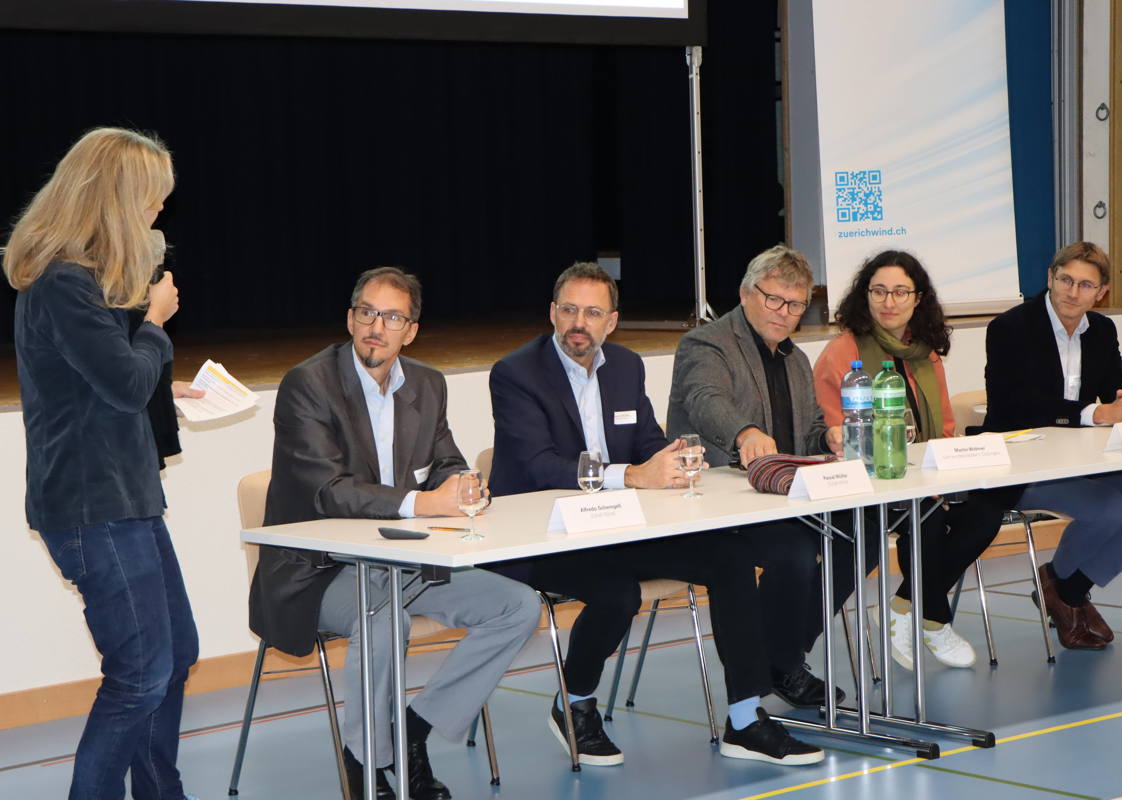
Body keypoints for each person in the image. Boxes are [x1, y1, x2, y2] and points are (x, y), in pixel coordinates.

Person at [487, 262, 825, 768]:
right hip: (547, 535)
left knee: (730, 556)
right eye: (570, 310)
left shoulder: (625, 366)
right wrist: (633, 475)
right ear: (552, 314)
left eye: (593, 312)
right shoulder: (516, 373)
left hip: (623, 526)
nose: (580, 322)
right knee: (616, 592)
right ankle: (574, 704)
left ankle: (745, 717)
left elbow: (645, 439)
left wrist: (674, 459)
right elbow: (540, 467)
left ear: (612, 321)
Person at [248, 267, 541, 800]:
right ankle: (366, 762)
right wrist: (422, 503)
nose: (375, 327)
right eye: (366, 312)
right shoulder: (307, 385)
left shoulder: (427, 385)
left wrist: (464, 486)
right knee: (382, 619)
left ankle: (413, 731)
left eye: (392, 317)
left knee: (517, 606)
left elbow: (446, 460)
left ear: (411, 330)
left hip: (403, 562)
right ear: (349, 318)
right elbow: (329, 491)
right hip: (318, 568)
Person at [5, 127, 200, 800]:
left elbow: (98, 383)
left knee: (174, 660)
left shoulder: (83, 280)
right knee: (142, 673)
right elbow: (120, 380)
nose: (157, 214)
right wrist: (153, 323)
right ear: (118, 199)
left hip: (124, 499)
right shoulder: (64, 282)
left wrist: (160, 379)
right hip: (94, 509)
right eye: (151, 200)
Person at [667, 244, 870, 708]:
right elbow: (704, 399)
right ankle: (779, 665)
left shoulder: (795, 360)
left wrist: (830, 439)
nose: (784, 312)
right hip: (723, 498)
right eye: (773, 299)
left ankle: (782, 656)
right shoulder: (707, 343)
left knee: (863, 534)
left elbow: (809, 431)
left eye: (795, 304)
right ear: (745, 293)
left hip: (784, 494)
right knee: (794, 552)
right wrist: (745, 433)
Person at [812, 250, 1022, 669]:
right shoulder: (843, 352)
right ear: (864, 295)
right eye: (879, 291)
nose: (889, 302)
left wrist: (941, 471)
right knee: (924, 523)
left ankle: (905, 606)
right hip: (869, 480)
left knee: (985, 513)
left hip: (926, 474)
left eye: (900, 292)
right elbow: (834, 433)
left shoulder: (925, 353)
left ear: (917, 298)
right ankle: (935, 619)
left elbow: (944, 425)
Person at [982, 241, 1122, 649]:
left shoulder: (1103, 330)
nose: (1072, 292)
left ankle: (1068, 590)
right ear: (1050, 279)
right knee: (1105, 506)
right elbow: (1018, 406)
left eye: (1085, 285)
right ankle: (1062, 592)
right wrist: (1096, 414)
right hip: (1021, 464)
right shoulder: (1009, 328)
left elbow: (1114, 382)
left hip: (1085, 461)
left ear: (1101, 293)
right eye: (1065, 280)